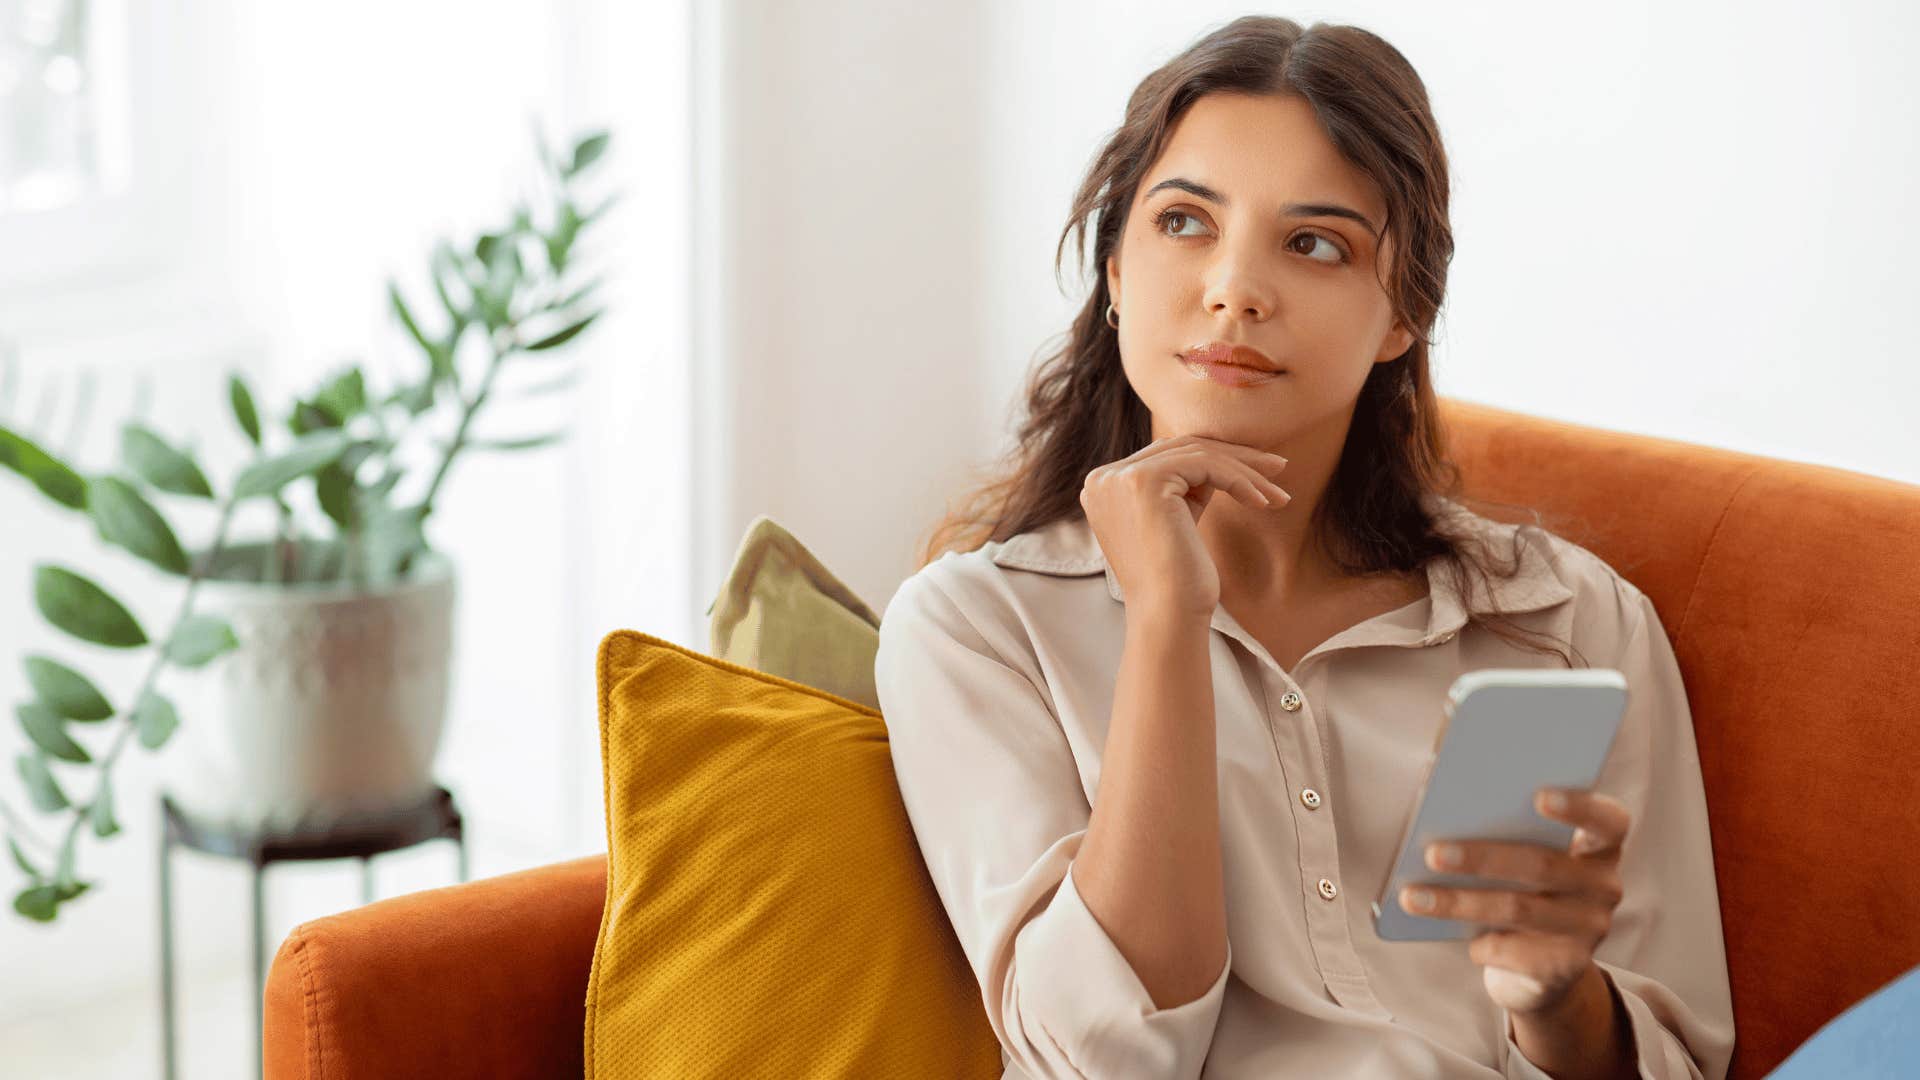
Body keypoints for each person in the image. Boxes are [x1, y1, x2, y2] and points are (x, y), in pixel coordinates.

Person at [873, 15, 1736, 1080]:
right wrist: (1164, 627)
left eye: (1315, 242)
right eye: (1185, 221)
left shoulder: (1570, 622)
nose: (1235, 288)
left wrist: (1558, 998)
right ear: (1112, 270)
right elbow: (1102, 1057)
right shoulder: (977, 629)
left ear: (1402, 313)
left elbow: (1681, 1059)